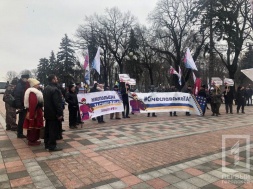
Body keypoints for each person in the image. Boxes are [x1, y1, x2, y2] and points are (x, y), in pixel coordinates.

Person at [43, 75, 63, 151]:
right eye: (56, 78)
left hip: (48, 112)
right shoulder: (55, 90)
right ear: (52, 80)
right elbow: (57, 103)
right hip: (53, 113)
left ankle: (47, 144)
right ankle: (52, 145)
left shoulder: (46, 88)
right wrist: (60, 114)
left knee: (47, 129)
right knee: (53, 130)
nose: (57, 79)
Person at [23, 78, 44, 146]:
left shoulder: (33, 92)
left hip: (34, 111)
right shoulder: (33, 92)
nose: (38, 85)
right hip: (35, 112)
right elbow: (32, 104)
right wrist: (32, 115)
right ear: (34, 85)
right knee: (33, 126)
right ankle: (32, 140)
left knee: (32, 126)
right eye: (37, 84)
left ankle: (31, 139)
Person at [14, 74, 30, 138]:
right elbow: (17, 96)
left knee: (22, 119)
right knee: (21, 119)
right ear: (23, 78)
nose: (27, 80)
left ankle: (20, 133)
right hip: (21, 105)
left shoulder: (23, 84)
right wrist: (19, 106)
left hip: (23, 104)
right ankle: (19, 133)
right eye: (26, 78)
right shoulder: (20, 85)